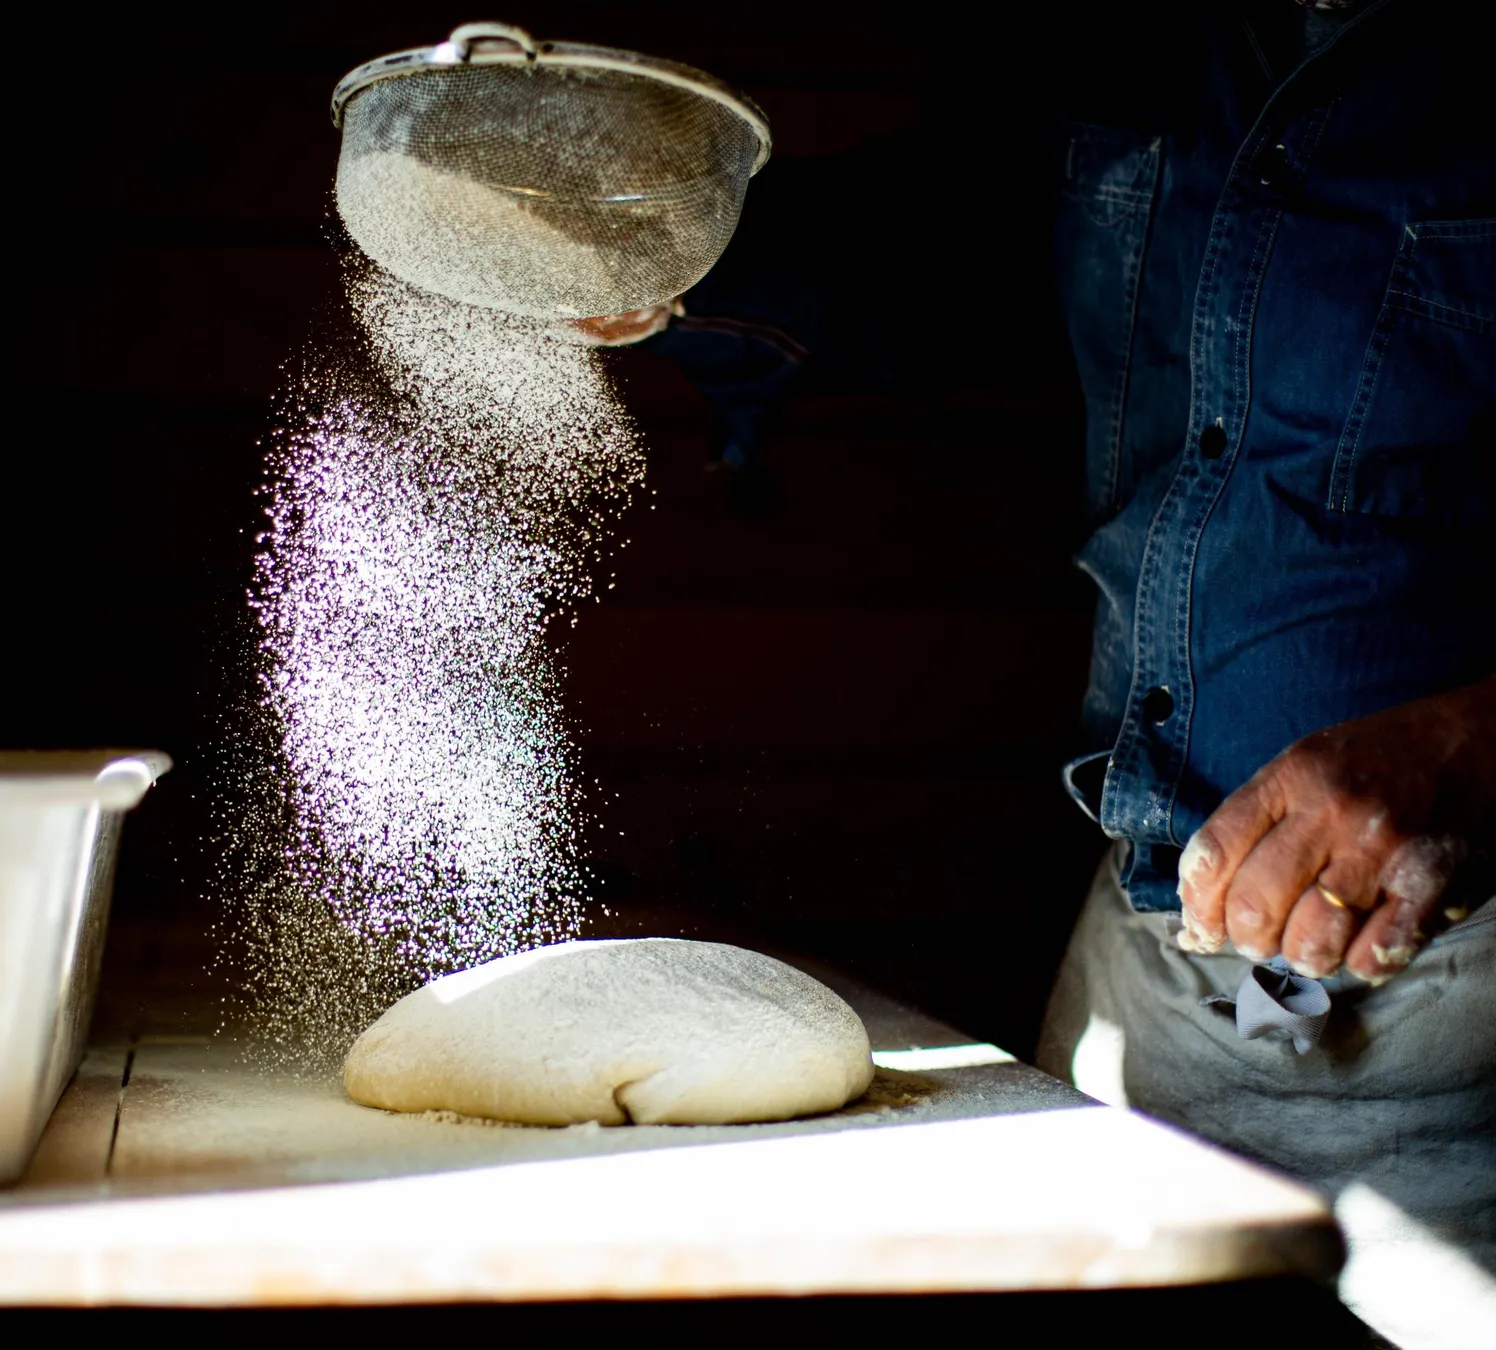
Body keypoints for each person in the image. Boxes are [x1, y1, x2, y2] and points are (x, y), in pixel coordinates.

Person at [587, 2, 1494, 1342]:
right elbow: (949, 256)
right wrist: (673, 250)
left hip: (1469, 1035)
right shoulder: (1107, 29)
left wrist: (1476, 738)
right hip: (1168, 973)